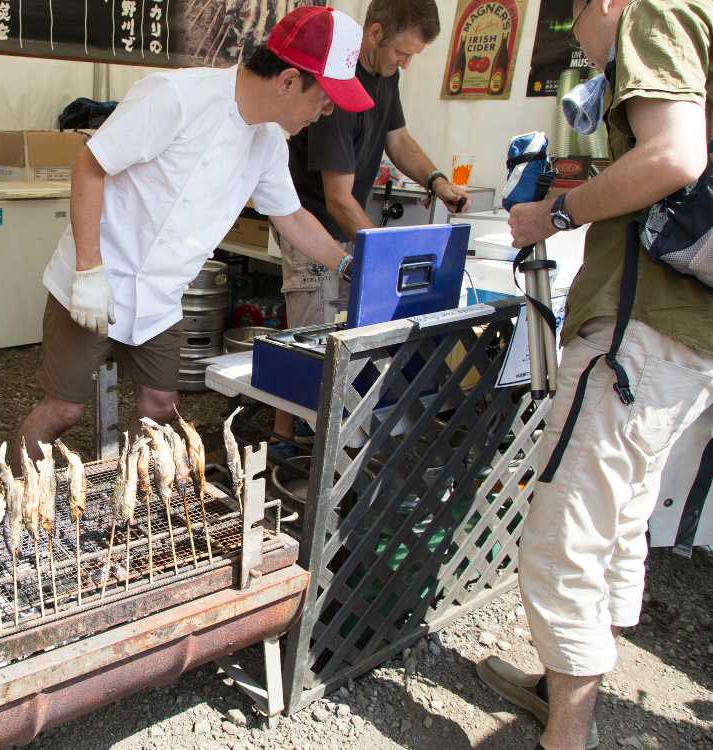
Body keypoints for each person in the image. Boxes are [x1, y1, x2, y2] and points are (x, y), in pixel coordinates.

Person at [477, 1, 712, 749]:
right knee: (615, 524)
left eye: (575, 23)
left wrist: (557, 214)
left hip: (631, 338)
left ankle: (566, 734)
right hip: (685, 338)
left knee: (562, 537)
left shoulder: (655, 10)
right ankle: (563, 692)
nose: (579, 44)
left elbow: (675, 155)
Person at [16, 6, 374, 463]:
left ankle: (134, 495)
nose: (327, 111)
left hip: (161, 294)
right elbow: (90, 164)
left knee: (160, 409)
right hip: (98, 274)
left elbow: (292, 216)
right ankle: (14, 491)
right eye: (324, 98)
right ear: (288, 80)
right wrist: (88, 267)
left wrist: (349, 265)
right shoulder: (177, 97)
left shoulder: (268, 142)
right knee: (63, 410)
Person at [270, 0, 471, 455]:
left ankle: (323, 430)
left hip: (347, 225)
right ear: (375, 33)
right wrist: (387, 256)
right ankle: (286, 440)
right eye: (403, 52)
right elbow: (338, 198)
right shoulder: (338, 88)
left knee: (345, 334)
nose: (406, 64)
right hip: (310, 224)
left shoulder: (385, 75)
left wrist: (437, 181)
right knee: (310, 336)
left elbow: (398, 139)